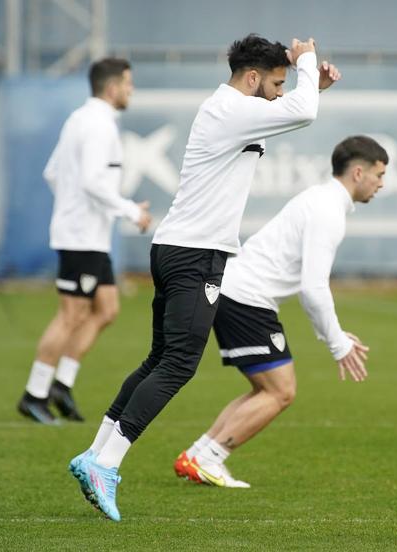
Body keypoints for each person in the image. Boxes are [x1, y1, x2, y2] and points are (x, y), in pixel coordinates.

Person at [67, 34, 340, 522]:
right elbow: (302, 113)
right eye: (275, 83)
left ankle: (95, 453)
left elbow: (296, 110)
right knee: (177, 366)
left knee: (159, 359)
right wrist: (306, 64)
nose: (280, 93)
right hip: (196, 255)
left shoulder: (230, 108)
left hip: (177, 248)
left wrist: (308, 86)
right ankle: (106, 464)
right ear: (252, 78)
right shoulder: (232, 109)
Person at [173, 135, 386, 488]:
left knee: (265, 389)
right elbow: (313, 288)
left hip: (237, 293)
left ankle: (198, 455)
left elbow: (311, 289)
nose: (382, 184)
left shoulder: (321, 200)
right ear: (359, 172)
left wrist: (332, 335)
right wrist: (337, 344)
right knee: (280, 391)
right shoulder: (328, 211)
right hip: (246, 299)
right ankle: (209, 459)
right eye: (379, 175)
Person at [16, 58, 152, 425]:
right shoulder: (97, 126)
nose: (131, 90)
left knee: (106, 309)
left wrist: (74, 207)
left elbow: (53, 173)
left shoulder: (80, 119)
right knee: (70, 315)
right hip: (82, 238)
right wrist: (129, 211)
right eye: (128, 83)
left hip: (88, 234)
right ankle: (34, 394)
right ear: (112, 88)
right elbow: (93, 182)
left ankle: (61, 385)